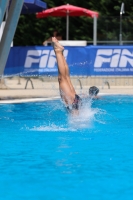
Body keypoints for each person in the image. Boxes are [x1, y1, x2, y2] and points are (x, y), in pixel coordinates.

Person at [52, 37, 82, 114]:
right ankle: (58, 51)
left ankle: (60, 53)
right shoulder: (76, 120)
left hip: (75, 102)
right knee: (63, 78)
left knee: (66, 77)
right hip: (73, 103)